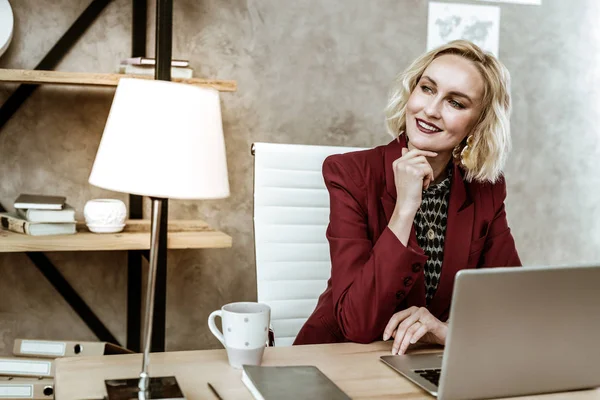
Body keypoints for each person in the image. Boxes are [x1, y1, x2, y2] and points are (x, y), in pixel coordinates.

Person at [293, 40, 521, 355]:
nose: (430, 110)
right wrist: (404, 209)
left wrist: (445, 332)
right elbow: (357, 324)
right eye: (427, 89)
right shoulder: (350, 173)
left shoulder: (485, 190)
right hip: (338, 358)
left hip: (424, 362)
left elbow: (510, 306)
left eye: (455, 103)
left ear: (478, 124)